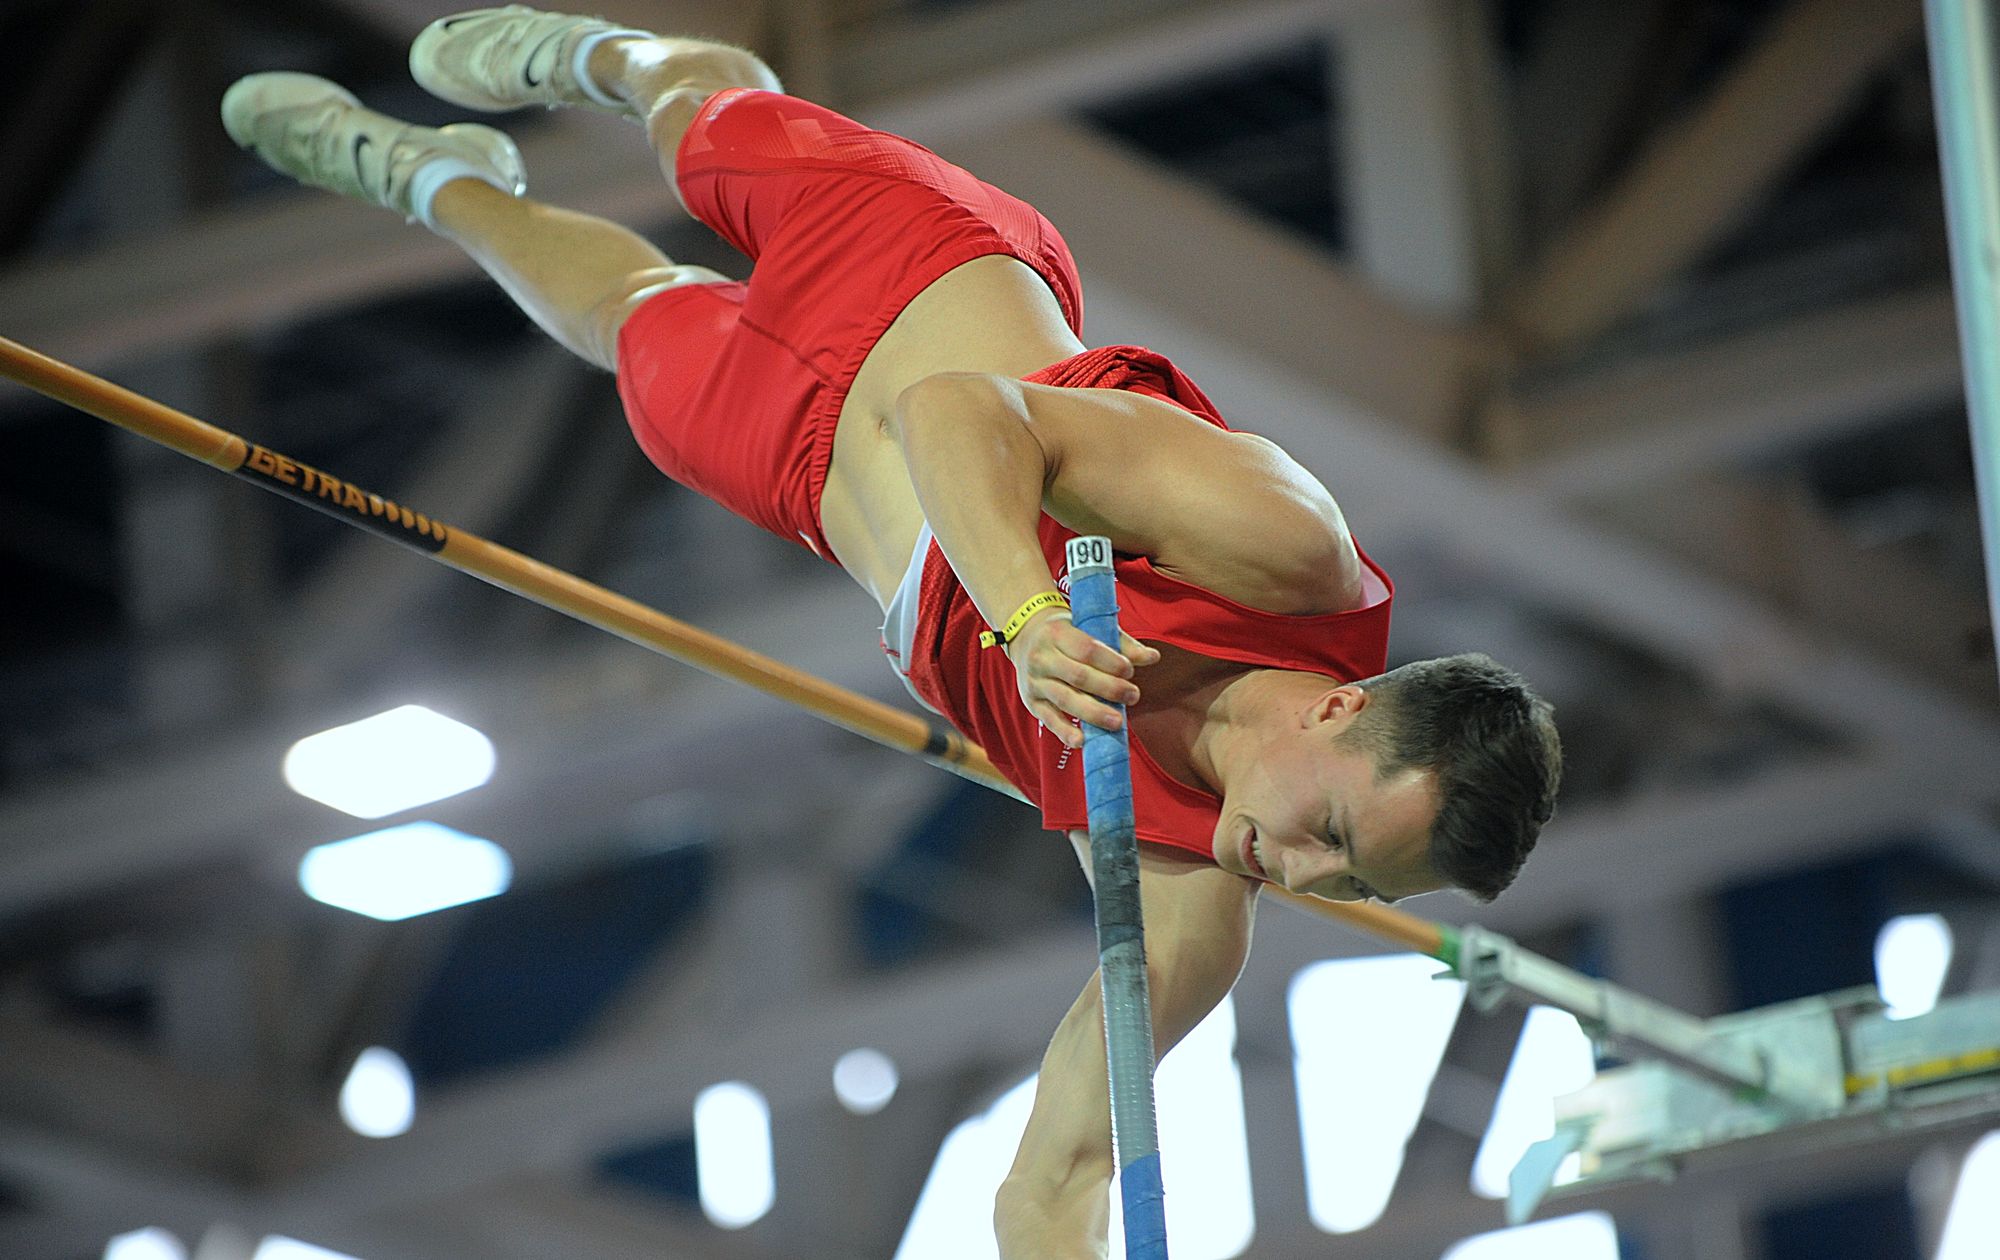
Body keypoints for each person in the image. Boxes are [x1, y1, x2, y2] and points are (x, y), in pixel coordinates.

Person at [221, 8, 1562, 1253]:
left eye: (1353, 888)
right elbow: (959, 413)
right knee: (702, 126)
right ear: (1339, 706)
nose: (1303, 874)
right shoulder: (1283, 549)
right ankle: (600, 58)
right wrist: (1028, 615)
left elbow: (1054, 1177)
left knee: (624, 326)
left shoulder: (1189, 907)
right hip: (915, 271)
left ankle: (431, 179)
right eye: (1335, 835)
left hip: (811, 475)